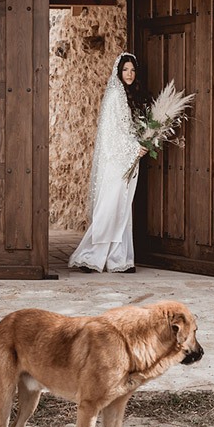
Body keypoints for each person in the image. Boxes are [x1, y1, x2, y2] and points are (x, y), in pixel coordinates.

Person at [69, 53, 151, 273]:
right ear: (118, 72)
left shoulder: (130, 94)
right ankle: (91, 256)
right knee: (109, 207)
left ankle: (119, 258)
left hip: (129, 159)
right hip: (117, 159)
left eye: (132, 70)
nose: (130, 74)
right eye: (125, 70)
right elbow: (112, 132)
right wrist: (135, 147)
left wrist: (143, 140)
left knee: (123, 209)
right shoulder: (115, 95)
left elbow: (130, 128)